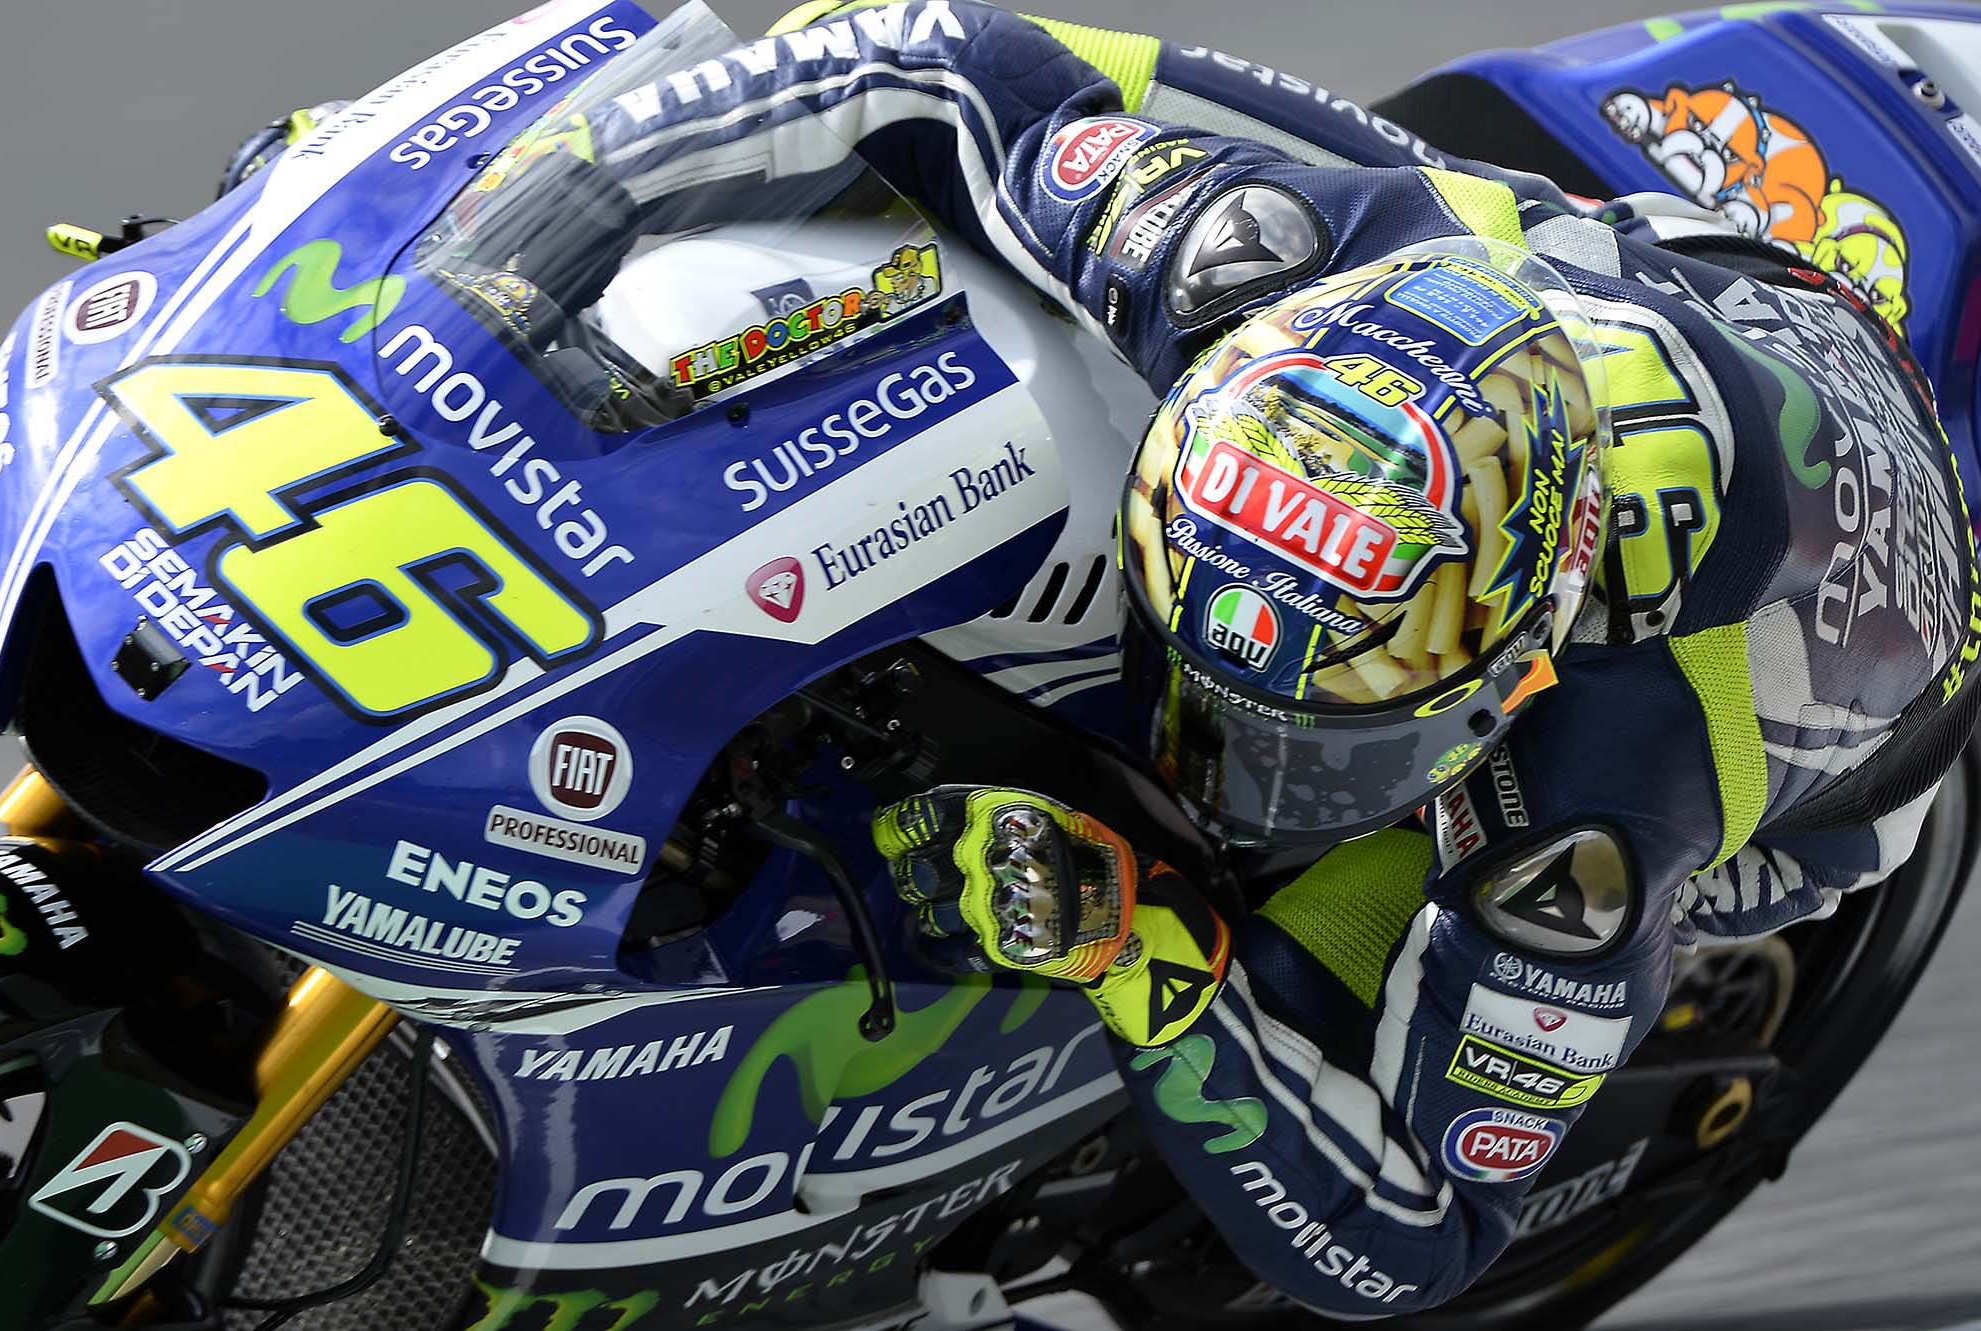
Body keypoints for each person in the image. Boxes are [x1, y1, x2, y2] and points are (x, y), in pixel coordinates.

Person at [231, 1, 1981, 1314]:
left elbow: (1419, 1243)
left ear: (1518, 658)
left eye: (1316, 735)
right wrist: (538, 219)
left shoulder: (1606, 807)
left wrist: (1143, 950)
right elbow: (914, 43)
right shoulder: (1237, 251)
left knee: (1299, 961)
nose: (1234, 772)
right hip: (1611, 283)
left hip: (1836, 709)